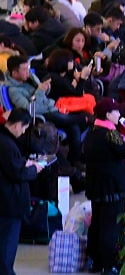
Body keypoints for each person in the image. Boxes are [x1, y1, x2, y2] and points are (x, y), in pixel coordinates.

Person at [84, 97, 125, 275]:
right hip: (112, 187)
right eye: (116, 111)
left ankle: (96, 262)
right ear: (108, 115)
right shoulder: (110, 133)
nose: (119, 114)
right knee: (109, 226)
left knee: (97, 224)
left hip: (97, 187)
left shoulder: (93, 131)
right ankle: (109, 266)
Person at [0, 107, 41, 274]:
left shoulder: (5, 140)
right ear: (17, 125)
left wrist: (24, 162)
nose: (24, 132)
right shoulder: (7, 145)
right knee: (7, 247)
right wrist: (34, 169)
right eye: (24, 128)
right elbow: (17, 173)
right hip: (9, 203)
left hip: (6, 201)